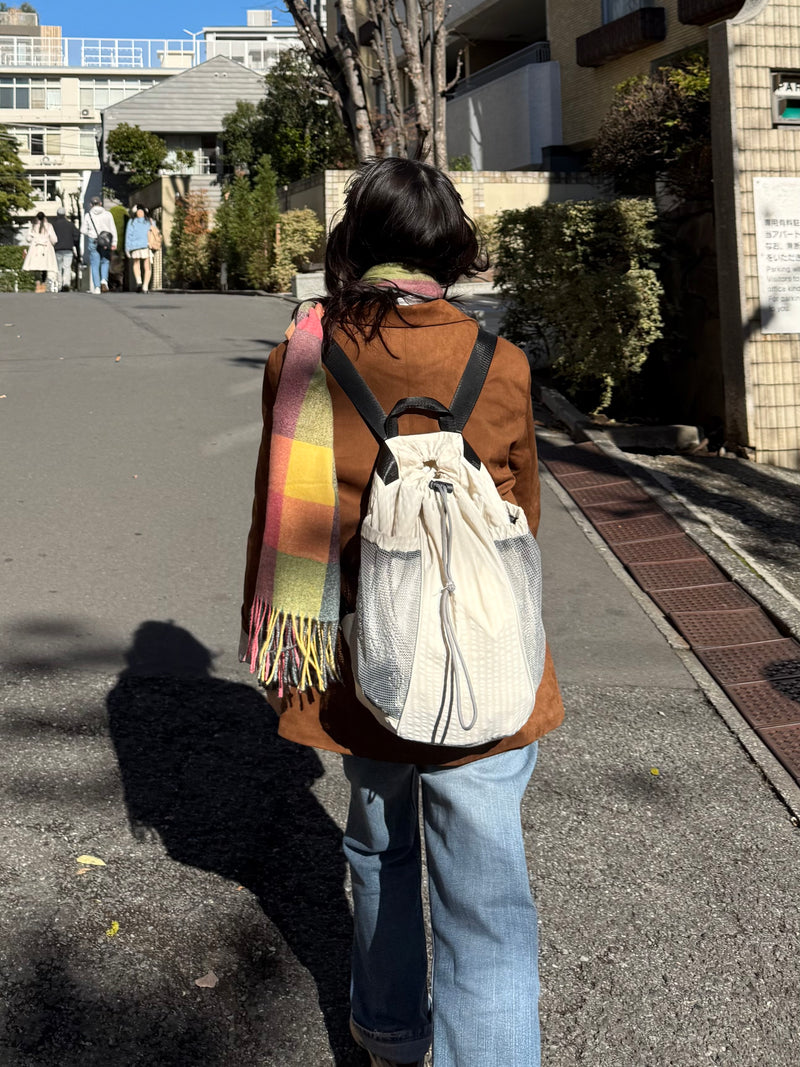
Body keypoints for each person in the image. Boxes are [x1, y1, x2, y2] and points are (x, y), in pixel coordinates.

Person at [241, 158, 564, 1067]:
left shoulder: (302, 356)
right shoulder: (502, 363)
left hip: (362, 651)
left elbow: (280, 515)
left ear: (357, 243)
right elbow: (523, 517)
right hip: (482, 655)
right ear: (449, 249)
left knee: (379, 845)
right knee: (485, 896)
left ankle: (388, 1031)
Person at [81, 195, 116, 294]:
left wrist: (90, 233)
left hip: (93, 240)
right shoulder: (108, 214)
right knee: (105, 261)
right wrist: (114, 242)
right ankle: (104, 281)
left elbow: (83, 230)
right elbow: (112, 229)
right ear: (101, 204)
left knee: (94, 264)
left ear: (91, 204)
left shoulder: (88, 215)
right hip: (106, 240)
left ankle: (97, 287)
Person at [21, 212, 58, 293]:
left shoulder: (33, 226)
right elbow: (54, 239)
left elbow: (28, 239)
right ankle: (43, 285)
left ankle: (37, 284)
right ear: (44, 217)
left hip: (35, 249)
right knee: (45, 267)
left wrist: (34, 238)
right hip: (46, 249)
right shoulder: (49, 226)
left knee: (36, 267)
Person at [124, 205, 154, 293]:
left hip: (144, 246)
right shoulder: (134, 221)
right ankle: (140, 283)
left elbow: (154, 232)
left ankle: (144, 285)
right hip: (138, 246)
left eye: (141, 211)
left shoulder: (147, 221)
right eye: (139, 211)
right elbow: (128, 235)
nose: (140, 213)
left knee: (145, 266)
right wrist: (127, 247)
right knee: (139, 264)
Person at [52, 206, 80, 292]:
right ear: (65, 215)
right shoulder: (70, 225)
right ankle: (66, 284)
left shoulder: (54, 225)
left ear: (57, 214)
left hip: (57, 249)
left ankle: (59, 285)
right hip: (68, 249)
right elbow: (77, 236)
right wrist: (74, 243)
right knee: (67, 267)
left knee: (58, 268)